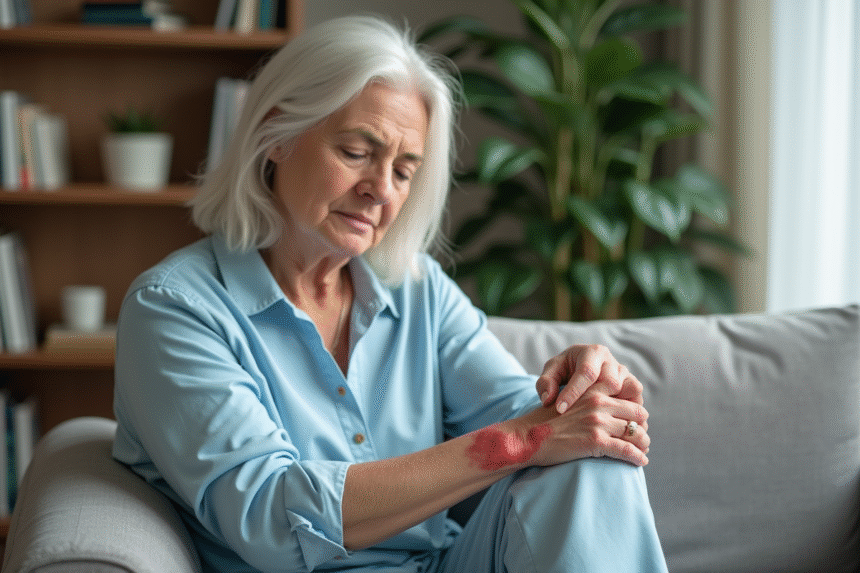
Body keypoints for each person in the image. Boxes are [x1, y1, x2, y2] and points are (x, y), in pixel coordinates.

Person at [112, 15, 668, 573]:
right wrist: (525, 437)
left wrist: (581, 396)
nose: (380, 190)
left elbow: (529, 417)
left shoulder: (418, 288)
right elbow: (272, 519)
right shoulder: (175, 308)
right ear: (277, 137)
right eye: (356, 152)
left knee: (592, 451)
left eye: (404, 171)